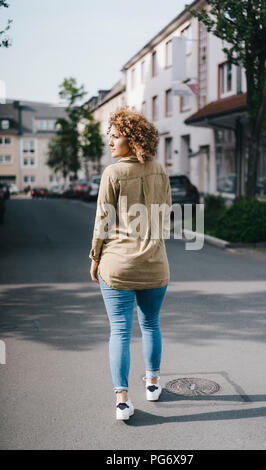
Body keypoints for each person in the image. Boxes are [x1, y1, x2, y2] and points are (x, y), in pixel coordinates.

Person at [89, 107, 172, 421]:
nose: (110, 143)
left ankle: (122, 400)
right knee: (150, 324)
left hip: (118, 267)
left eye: (115, 136)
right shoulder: (160, 171)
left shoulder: (113, 173)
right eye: (109, 137)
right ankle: (152, 383)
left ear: (133, 138)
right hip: (155, 265)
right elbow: (165, 218)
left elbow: (103, 221)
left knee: (120, 332)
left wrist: (95, 258)